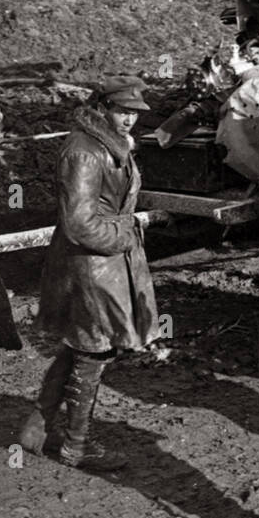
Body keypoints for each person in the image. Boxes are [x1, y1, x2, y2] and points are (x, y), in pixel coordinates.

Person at [20, 76, 161, 471]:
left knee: (81, 344)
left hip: (103, 262)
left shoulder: (108, 144)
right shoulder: (84, 151)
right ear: (102, 108)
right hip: (89, 265)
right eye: (122, 110)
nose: (130, 119)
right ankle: (76, 447)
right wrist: (125, 233)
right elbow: (79, 223)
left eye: (134, 112)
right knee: (94, 349)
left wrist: (123, 232)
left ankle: (37, 431)